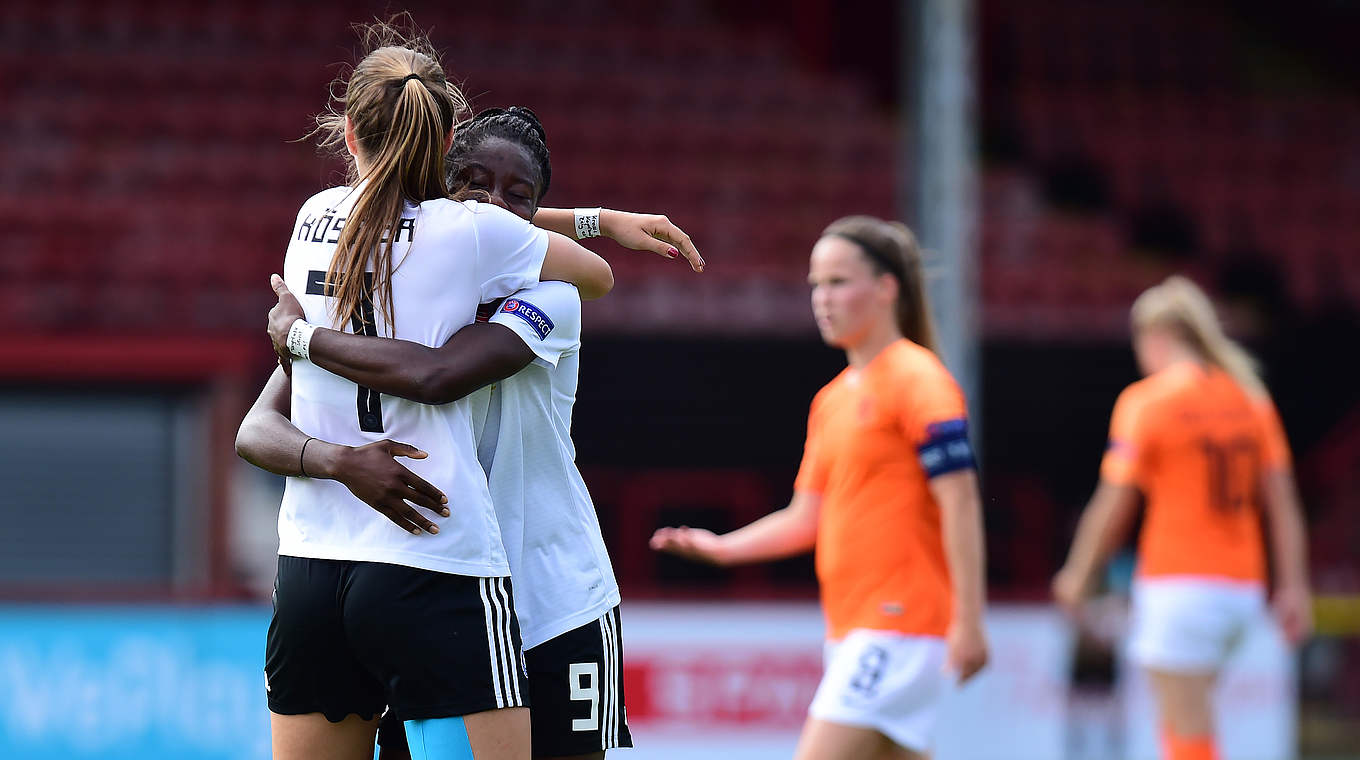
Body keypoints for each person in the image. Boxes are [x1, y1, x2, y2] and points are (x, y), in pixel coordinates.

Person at [241, 105, 700, 759]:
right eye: (475, 185)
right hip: (430, 589)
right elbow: (259, 425)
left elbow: (440, 371)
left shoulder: (550, 298)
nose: (494, 204)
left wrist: (300, 336)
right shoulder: (386, 302)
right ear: (438, 200)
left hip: (553, 598)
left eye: (520, 196)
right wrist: (339, 458)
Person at [651, 216, 989, 760]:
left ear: (886, 289)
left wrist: (970, 620)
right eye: (814, 284)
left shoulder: (918, 378)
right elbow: (804, 519)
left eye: (837, 282)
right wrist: (720, 546)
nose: (821, 298)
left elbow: (962, 500)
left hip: (897, 624)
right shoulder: (831, 400)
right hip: (854, 628)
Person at [1052, 276, 1312, 760]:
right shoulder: (1251, 400)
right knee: (1187, 725)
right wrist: (1293, 584)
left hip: (1181, 587)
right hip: (1242, 590)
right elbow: (1283, 502)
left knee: (1189, 734)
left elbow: (1113, 505)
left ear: (1155, 338)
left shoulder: (1147, 401)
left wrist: (1078, 575)